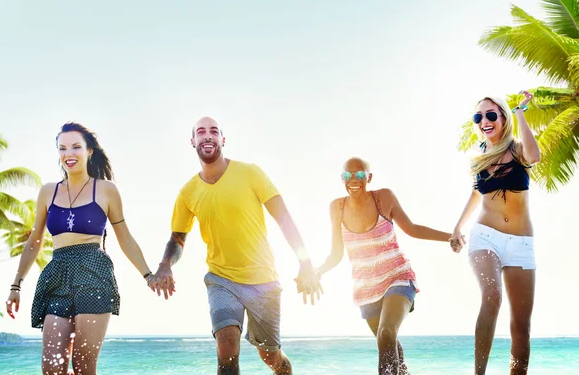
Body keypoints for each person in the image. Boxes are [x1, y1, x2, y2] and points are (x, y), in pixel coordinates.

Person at [150, 116, 322, 375]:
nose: (207, 135)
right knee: (226, 346)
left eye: (213, 131)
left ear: (222, 139)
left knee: (271, 356)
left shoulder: (250, 173)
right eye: (201, 132)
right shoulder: (188, 192)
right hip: (221, 280)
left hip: (263, 280)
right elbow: (177, 238)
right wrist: (165, 265)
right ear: (193, 141)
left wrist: (305, 262)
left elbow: (283, 219)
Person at [6, 122, 154, 375]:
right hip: (56, 274)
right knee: (52, 366)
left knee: (84, 364)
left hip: (93, 272)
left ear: (89, 151)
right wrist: (16, 285)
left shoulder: (106, 190)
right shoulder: (48, 192)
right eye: (62, 148)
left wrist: (148, 275)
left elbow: (125, 237)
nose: (69, 154)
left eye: (76, 147)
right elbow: (35, 242)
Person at [315, 156, 453, 375]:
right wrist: (316, 272)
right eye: (347, 175)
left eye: (359, 175)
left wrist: (450, 237)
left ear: (369, 177)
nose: (353, 180)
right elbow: (336, 253)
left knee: (387, 333)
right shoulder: (336, 207)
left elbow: (412, 228)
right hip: (365, 288)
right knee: (388, 341)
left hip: (397, 276)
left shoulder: (384, 198)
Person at [450, 91, 540, 375]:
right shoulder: (479, 156)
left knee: (521, 326)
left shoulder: (516, 148)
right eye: (479, 117)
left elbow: (534, 156)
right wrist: (458, 227)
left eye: (491, 115)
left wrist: (520, 113)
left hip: (521, 243)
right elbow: (476, 193)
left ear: (503, 117)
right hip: (485, 236)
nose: (484, 121)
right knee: (491, 295)